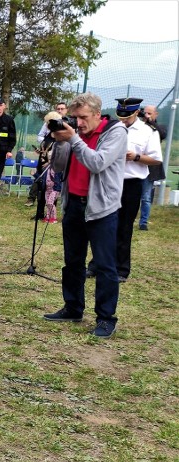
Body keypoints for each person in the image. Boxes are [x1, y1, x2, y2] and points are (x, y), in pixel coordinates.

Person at [44, 92, 126, 338]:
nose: (78, 123)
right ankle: (73, 307)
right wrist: (60, 141)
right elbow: (58, 166)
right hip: (74, 205)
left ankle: (105, 317)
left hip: (101, 208)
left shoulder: (115, 132)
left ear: (97, 114)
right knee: (72, 262)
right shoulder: (75, 134)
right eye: (75, 118)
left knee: (104, 266)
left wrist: (74, 140)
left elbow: (97, 163)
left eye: (83, 117)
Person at [111, 97, 162, 281]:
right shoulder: (114, 127)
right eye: (121, 115)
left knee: (124, 226)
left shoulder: (148, 132)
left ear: (136, 113)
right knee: (104, 224)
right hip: (110, 181)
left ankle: (121, 269)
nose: (123, 119)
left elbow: (156, 159)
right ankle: (98, 264)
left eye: (127, 116)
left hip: (131, 183)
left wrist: (136, 157)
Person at [138, 105, 167, 230]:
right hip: (137, 166)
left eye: (150, 113)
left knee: (145, 197)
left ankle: (143, 222)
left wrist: (149, 121)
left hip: (150, 169)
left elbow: (162, 134)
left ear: (156, 114)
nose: (147, 115)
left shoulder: (159, 128)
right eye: (146, 113)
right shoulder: (138, 127)